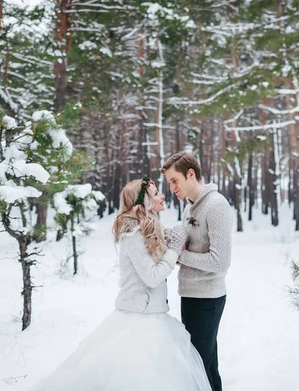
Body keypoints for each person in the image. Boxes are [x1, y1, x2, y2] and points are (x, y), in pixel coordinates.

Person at [30, 177, 211, 391]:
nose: (162, 195)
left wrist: (169, 242)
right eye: (155, 194)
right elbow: (152, 277)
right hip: (138, 320)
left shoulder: (150, 230)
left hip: (154, 314)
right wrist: (173, 250)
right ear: (142, 204)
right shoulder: (133, 237)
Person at [162, 152, 232, 391]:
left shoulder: (216, 206)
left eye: (174, 180)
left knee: (199, 365)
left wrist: (179, 255)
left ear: (190, 174)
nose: (171, 187)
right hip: (191, 295)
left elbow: (220, 262)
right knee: (206, 365)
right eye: (169, 182)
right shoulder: (189, 208)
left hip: (207, 299)